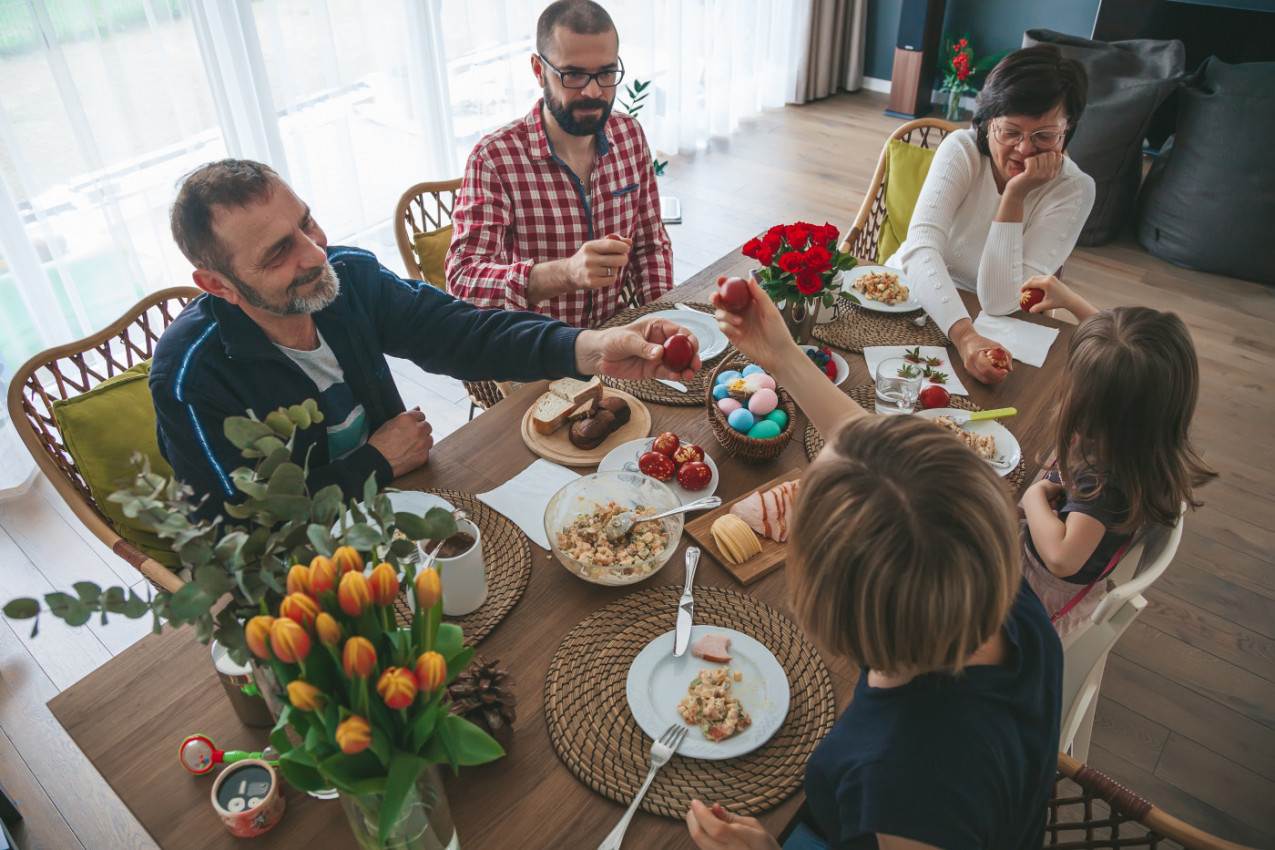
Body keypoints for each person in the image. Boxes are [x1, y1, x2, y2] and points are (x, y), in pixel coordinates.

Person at [686, 276, 1062, 849]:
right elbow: (873, 453)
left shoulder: (902, 782)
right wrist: (782, 356)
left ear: (827, 603)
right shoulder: (998, 593)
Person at [152, 159, 698, 520]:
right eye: (278, 252)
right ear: (218, 285)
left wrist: (592, 348)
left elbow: (462, 332)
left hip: (407, 505)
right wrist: (374, 462)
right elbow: (237, 524)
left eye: (307, 223)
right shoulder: (189, 378)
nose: (316, 253)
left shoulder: (349, 275)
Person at [446, 0, 673, 328]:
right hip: (537, 347)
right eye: (574, 75)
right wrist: (566, 273)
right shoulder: (494, 160)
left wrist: (664, 318)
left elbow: (650, 246)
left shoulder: (630, 135)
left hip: (616, 336)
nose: (593, 91)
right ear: (539, 71)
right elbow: (463, 279)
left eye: (606, 73)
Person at [884, 44, 1095, 384]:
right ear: (987, 120)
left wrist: (1014, 196)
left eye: (1045, 136)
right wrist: (964, 335)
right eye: (1010, 132)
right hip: (913, 294)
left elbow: (1001, 301)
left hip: (991, 323)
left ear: (1067, 129)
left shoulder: (1074, 189)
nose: (1024, 149)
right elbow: (920, 249)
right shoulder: (962, 150)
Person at [1017, 275, 1216, 635]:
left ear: (1097, 402)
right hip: (1055, 555)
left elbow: (1061, 559)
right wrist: (1070, 301)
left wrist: (1032, 497)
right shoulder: (1146, 430)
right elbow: (1122, 358)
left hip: (1035, 597)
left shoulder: (1103, 481)